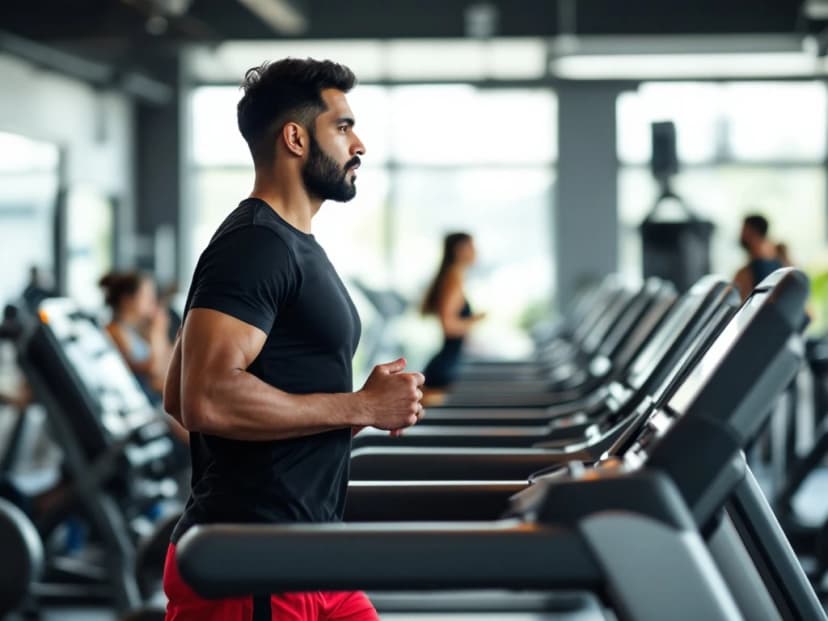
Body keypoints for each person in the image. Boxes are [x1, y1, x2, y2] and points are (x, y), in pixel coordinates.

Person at [161, 58, 425, 621]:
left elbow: (177, 392)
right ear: (296, 138)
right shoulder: (256, 245)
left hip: (311, 551)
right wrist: (360, 404)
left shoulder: (290, 243)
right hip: (255, 558)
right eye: (344, 126)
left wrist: (362, 411)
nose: (360, 144)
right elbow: (199, 398)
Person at [420, 232, 485, 404]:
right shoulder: (452, 279)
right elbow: (448, 326)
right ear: (459, 250)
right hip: (446, 366)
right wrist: (474, 321)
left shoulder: (455, 277)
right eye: (471, 246)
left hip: (450, 361)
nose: (475, 251)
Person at [99, 271, 172, 405]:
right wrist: (157, 332)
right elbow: (154, 371)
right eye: (146, 296)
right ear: (127, 300)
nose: (152, 302)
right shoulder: (114, 332)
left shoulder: (136, 330)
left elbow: (167, 364)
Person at [733, 214, 785, 301]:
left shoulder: (746, 273)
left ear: (751, 231)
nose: (740, 233)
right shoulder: (781, 258)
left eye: (743, 229)